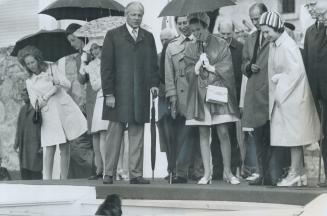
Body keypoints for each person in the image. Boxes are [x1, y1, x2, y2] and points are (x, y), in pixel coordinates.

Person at [101, 1, 159, 184]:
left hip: (140, 92)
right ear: (126, 15)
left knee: (137, 133)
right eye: (133, 14)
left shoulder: (148, 37)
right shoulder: (113, 35)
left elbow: (152, 65)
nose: (136, 18)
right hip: (118, 94)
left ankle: (136, 174)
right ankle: (108, 173)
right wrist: (108, 93)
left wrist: (154, 84)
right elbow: (106, 67)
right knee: (114, 134)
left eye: (139, 15)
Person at [260, 11, 320, 186]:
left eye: (266, 31)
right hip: (287, 97)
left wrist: (280, 80)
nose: (264, 35)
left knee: (295, 138)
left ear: (276, 28)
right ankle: (298, 173)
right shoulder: (277, 43)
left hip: (293, 97)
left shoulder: (287, 45)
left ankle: (295, 172)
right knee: (294, 137)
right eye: (263, 32)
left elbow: (295, 73)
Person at [184, 12, 240, 185]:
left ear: (206, 27)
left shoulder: (221, 43)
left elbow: (229, 69)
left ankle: (227, 172)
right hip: (199, 96)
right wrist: (196, 67)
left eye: (199, 30)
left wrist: (212, 67)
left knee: (223, 132)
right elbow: (186, 73)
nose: (196, 34)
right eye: (193, 31)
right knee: (203, 132)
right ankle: (207, 173)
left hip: (218, 92)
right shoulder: (191, 47)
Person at [18, 45, 87, 180]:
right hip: (48, 115)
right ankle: (47, 180)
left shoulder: (52, 68)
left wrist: (57, 81)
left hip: (62, 112)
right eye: (28, 64)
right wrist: (49, 93)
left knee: (64, 146)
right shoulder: (30, 81)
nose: (31, 65)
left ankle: (64, 179)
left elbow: (67, 85)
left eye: (33, 62)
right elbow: (35, 104)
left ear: (38, 59)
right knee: (49, 148)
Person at [165, 15, 203, 184]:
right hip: (182, 95)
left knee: (200, 131)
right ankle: (181, 171)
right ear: (176, 25)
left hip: (200, 91)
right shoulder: (171, 46)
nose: (183, 26)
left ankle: (198, 170)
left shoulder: (200, 41)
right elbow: (168, 75)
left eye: (186, 22)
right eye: (179, 23)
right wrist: (172, 97)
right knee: (184, 132)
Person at [241, 3, 271, 185]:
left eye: (257, 18)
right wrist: (248, 66)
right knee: (258, 135)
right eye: (252, 19)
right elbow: (243, 62)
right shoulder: (251, 38)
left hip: (269, 92)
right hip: (255, 93)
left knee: (271, 136)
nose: (255, 22)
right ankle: (262, 173)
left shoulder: (273, 35)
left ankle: (272, 174)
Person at [211, 19, 243, 180]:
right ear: (218, 32)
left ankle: (232, 168)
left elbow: (241, 76)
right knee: (216, 134)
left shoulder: (240, 48)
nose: (225, 37)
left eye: (228, 34)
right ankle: (217, 168)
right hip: (217, 95)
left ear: (234, 32)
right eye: (222, 34)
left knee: (231, 135)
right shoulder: (213, 47)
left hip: (234, 96)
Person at [65, 23, 96, 179]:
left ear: (81, 37)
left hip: (93, 100)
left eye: (73, 40)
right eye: (70, 41)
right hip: (84, 102)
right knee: (80, 141)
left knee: (91, 138)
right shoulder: (79, 57)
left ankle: (99, 169)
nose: (72, 44)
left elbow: (86, 80)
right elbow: (81, 81)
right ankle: (95, 169)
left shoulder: (92, 52)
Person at [80, 39, 109, 180]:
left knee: (114, 135)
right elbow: (96, 85)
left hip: (114, 98)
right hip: (101, 99)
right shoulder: (91, 65)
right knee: (102, 133)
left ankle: (116, 168)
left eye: (96, 48)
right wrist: (108, 76)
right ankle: (104, 170)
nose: (95, 51)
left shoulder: (111, 60)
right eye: (92, 50)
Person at [306, 0, 327, 187]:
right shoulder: (310, 32)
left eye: (323, 13)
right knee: (323, 135)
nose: (321, 17)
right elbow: (308, 62)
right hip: (317, 92)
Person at [14, 88, 42, 180]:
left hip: (34, 145)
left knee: (35, 170)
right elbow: (19, 127)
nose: (22, 98)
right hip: (24, 145)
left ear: (30, 95)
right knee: (24, 170)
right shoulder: (22, 110)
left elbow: (42, 128)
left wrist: (42, 145)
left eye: (24, 95)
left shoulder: (36, 109)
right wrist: (16, 143)